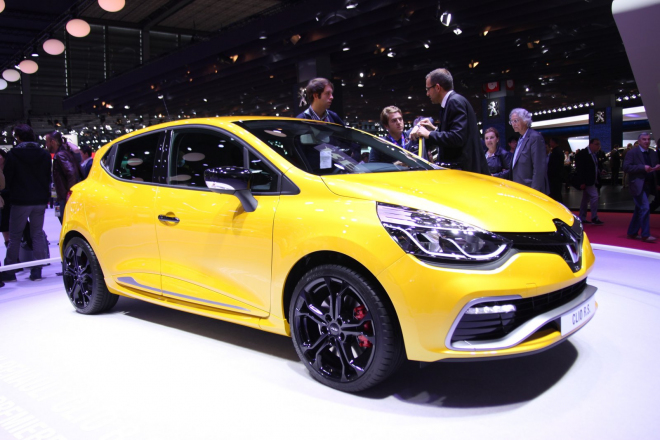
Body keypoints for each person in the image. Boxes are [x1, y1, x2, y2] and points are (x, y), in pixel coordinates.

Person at [409, 68, 489, 174]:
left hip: (464, 172)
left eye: (428, 89)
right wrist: (435, 130)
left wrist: (429, 134)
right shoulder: (451, 102)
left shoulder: (454, 102)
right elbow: (457, 134)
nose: (427, 94)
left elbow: (457, 138)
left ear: (437, 87)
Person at [3, 124, 52, 281]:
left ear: (18, 137)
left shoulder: (13, 154)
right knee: (37, 234)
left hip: (20, 200)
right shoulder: (44, 154)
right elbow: (47, 176)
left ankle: (10, 269)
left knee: (15, 236)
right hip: (39, 200)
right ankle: (37, 270)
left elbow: (8, 178)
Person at [623, 133, 659, 242]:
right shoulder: (632, 153)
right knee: (645, 207)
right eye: (644, 139)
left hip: (649, 185)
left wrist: (657, 167)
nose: (647, 141)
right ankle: (645, 235)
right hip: (637, 185)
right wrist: (642, 167)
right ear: (639, 141)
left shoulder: (652, 153)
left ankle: (632, 232)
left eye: (648, 139)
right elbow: (626, 167)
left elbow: (655, 165)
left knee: (640, 209)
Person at [45, 131, 82, 224]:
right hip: (62, 196)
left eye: (47, 142)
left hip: (64, 197)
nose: (46, 145)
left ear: (53, 142)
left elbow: (71, 173)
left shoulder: (60, 155)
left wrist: (69, 194)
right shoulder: (65, 153)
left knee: (66, 223)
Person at [509, 108, 549, 194]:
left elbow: (539, 169)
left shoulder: (535, 138)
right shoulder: (520, 139)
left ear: (525, 120)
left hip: (530, 190)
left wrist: (534, 193)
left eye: (516, 120)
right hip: (520, 189)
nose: (513, 124)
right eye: (511, 121)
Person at [575, 139, 604, 225]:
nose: (598, 146)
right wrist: (582, 182)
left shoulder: (595, 154)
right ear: (591, 144)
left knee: (585, 199)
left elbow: (595, 166)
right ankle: (594, 217)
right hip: (587, 181)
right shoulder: (583, 154)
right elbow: (580, 169)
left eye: (599, 144)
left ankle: (582, 217)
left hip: (593, 180)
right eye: (596, 144)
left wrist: (600, 171)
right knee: (594, 197)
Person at [547, 137, 564, 203]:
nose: (550, 143)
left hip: (555, 177)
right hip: (557, 176)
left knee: (555, 194)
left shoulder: (556, 152)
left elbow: (554, 165)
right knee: (557, 193)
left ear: (553, 142)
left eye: (550, 142)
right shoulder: (558, 151)